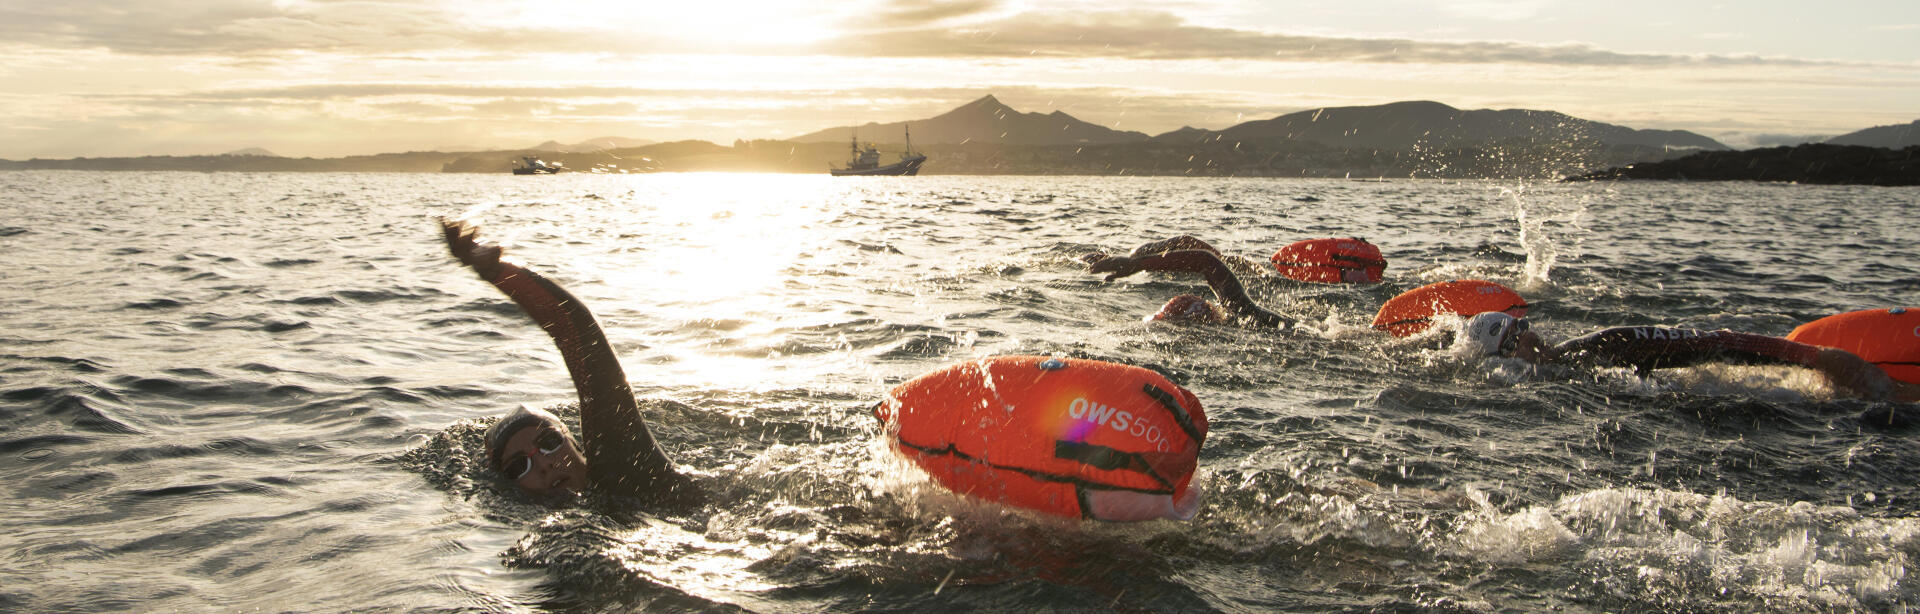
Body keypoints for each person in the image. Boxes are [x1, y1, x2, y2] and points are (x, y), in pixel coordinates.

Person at [440, 219, 701, 507]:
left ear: (575, 443)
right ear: (507, 487)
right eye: (518, 467)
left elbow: (580, 338)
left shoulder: (630, 473)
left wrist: (494, 270)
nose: (543, 465)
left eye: (549, 444)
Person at [1454, 311, 1916, 402]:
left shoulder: (1604, 346)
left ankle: (1897, 394)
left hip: (1709, 344)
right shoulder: (1564, 374)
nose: (1532, 340)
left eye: (1526, 328)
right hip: (1692, 379)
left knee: (1810, 358)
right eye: (1519, 338)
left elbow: (1707, 341)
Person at [1085, 248, 1295, 329]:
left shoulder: (1246, 317)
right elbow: (1205, 260)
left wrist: (1136, 264)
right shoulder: (1250, 317)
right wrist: (1137, 264)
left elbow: (1205, 260)